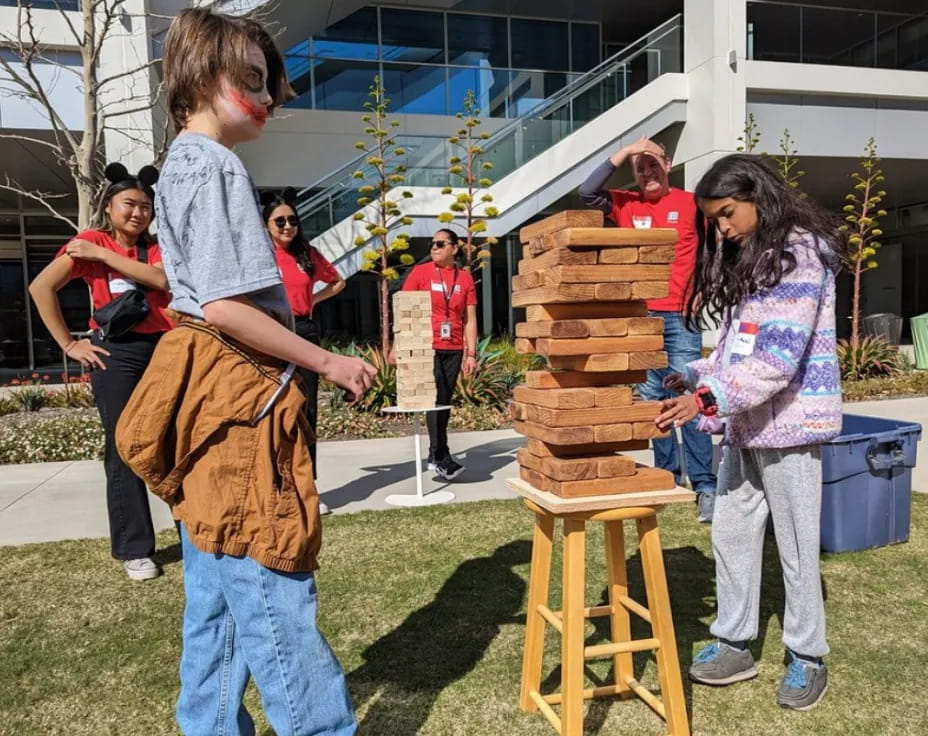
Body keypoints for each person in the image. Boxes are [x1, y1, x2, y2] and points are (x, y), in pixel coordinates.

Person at [115, 8, 374, 733]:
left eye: (271, 85)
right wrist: (328, 360)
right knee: (273, 590)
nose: (268, 99)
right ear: (202, 76)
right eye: (253, 80)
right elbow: (227, 306)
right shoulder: (215, 163)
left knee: (218, 596)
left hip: (212, 406)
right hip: (239, 410)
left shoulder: (179, 167)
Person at [654, 154, 845, 711]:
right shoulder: (754, 258)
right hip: (745, 427)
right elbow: (742, 347)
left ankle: (807, 656)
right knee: (732, 534)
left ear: (759, 198)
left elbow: (777, 360)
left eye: (728, 213)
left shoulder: (800, 257)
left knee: (795, 545)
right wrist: (694, 376)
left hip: (791, 428)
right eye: (714, 219)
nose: (722, 227)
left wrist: (703, 400)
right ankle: (735, 641)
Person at [29, 163, 173, 582]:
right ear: (108, 207)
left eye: (146, 206)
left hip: (165, 348)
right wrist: (70, 344)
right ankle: (135, 547)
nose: (138, 213)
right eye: (129, 204)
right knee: (123, 444)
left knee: (176, 439)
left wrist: (104, 256)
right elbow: (41, 287)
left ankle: (193, 530)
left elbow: (162, 279)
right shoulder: (88, 241)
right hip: (117, 354)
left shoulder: (153, 248)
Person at [579, 136, 717, 521]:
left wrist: (705, 289)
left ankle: (706, 486)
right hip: (641, 320)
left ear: (668, 164)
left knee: (690, 397)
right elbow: (587, 192)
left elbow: (717, 247)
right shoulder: (624, 203)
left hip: (680, 315)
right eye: (640, 168)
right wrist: (624, 152)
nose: (647, 173)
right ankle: (667, 479)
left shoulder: (692, 203)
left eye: (653, 164)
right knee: (653, 399)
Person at [263, 189, 346, 515]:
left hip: (304, 330)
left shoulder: (306, 254)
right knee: (274, 412)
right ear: (267, 224)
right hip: (270, 333)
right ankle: (275, 488)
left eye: (292, 220)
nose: (287, 226)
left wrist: (313, 300)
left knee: (306, 412)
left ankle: (307, 486)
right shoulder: (260, 253)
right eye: (279, 221)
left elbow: (338, 282)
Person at [394, 229, 477, 481]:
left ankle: (435, 454)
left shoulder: (464, 279)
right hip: (426, 345)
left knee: (444, 400)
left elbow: (470, 319)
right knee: (436, 397)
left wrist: (471, 353)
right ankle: (441, 454)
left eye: (440, 244)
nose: (434, 247)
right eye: (432, 244)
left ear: (454, 248)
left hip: (453, 347)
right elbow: (405, 310)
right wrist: (398, 345)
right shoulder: (421, 273)